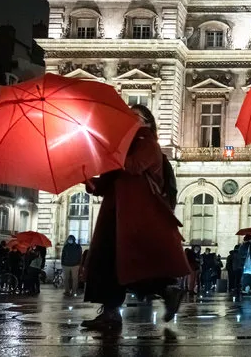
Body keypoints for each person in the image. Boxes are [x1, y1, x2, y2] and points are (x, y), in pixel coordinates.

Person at [81, 104, 190, 331]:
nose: (129, 119)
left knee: (136, 262)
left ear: (147, 122)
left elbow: (133, 166)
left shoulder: (147, 141)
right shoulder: (124, 146)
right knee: (109, 262)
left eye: (135, 116)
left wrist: (108, 151)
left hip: (137, 214)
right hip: (116, 213)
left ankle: (169, 291)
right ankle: (110, 312)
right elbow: (106, 181)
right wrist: (91, 183)